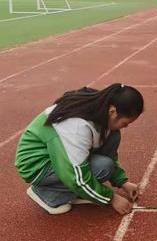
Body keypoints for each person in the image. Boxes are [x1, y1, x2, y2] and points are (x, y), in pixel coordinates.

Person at [15, 83, 144, 215]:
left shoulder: (101, 112)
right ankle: (47, 195)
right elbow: (76, 178)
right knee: (103, 167)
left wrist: (123, 182)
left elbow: (108, 153)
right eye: (125, 123)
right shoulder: (77, 127)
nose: (125, 127)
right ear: (112, 111)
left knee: (113, 136)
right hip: (37, 165)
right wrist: (111, 198)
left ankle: (76, 191)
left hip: (58, 158)